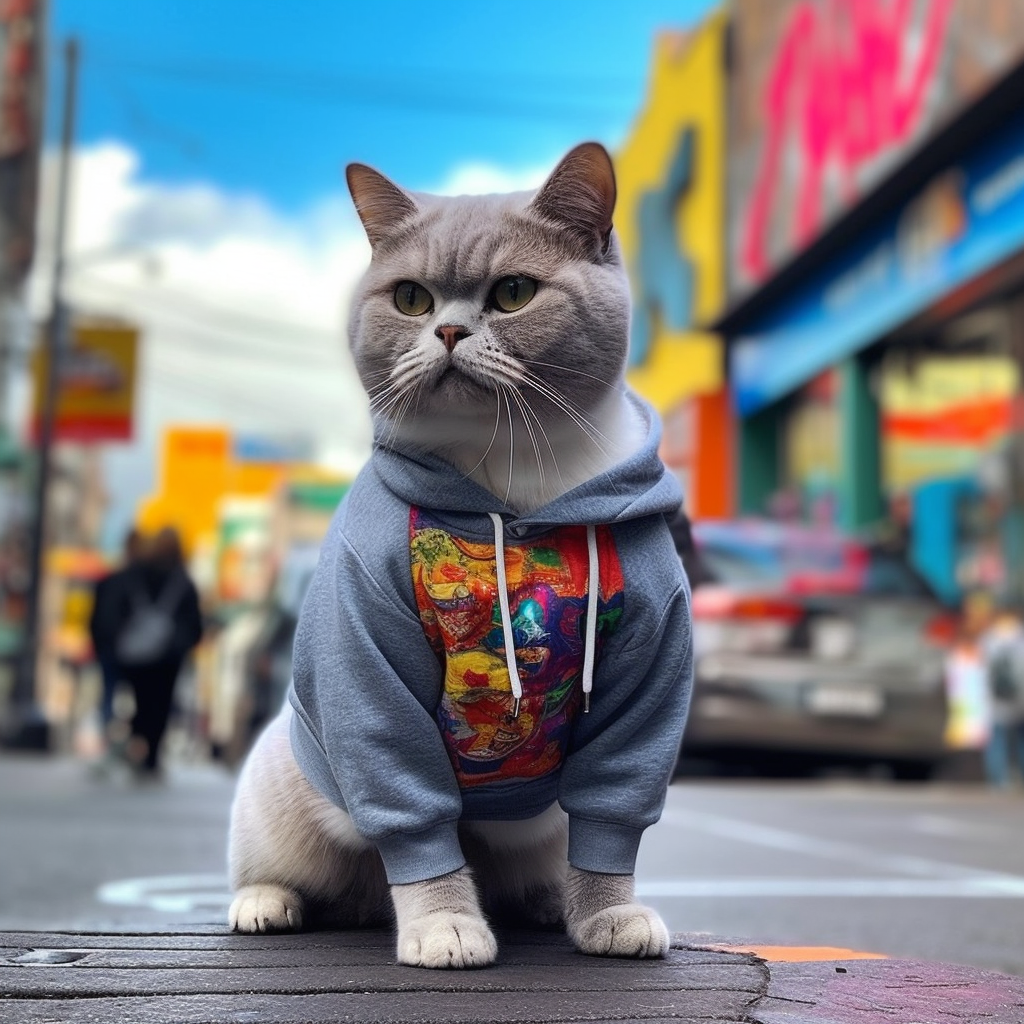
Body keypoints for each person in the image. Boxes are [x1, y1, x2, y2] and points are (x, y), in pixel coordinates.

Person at [114, 527, 203, 778]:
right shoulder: (183, 580)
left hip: (138, 654)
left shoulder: (138, 575)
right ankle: (151, 754)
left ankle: (140, 744)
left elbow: (120, 608)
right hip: (170, 656)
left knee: (142, 702)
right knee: (162, 704)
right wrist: (183, 643)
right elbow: (194, 623)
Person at [89, 528, 144, 740]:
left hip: (111, 648)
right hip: (135, 651)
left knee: (109, 695)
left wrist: (99, 644)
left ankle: (108, 741)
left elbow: (96, 618)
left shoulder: (110, 580)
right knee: (134, 698)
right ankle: (126, 743)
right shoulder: (140, 582)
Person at [980, 606, 1024, 788]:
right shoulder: (1019, 639)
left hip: (995, 698)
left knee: (997, 739)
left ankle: (999, 779)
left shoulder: (988, 640)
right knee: (1016, 739)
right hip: (1018, 699)